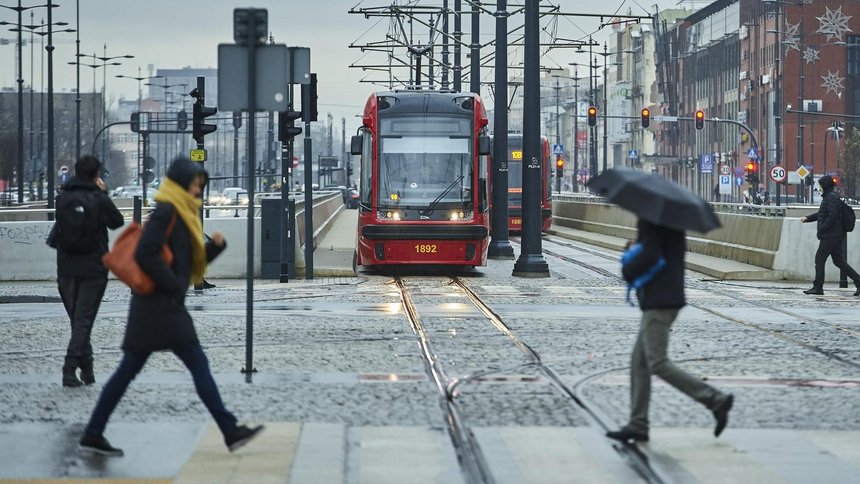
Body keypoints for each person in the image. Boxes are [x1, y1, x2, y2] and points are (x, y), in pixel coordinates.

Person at [79, 157, 263, 456]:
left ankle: (93, 431)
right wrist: (174, 285)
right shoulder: (167, 212)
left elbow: (183, 265)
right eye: (194, 184)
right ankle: (229, 430)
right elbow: (146, 255)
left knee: (128, 371)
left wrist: (213, 249)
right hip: (160, 306)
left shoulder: (181, 211)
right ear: (180, 183)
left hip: (156, 306)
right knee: (196, 364)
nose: (198, 190)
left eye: (200, 185)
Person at [606, 219, 734, 444]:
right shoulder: (668, 218)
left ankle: (715, 399)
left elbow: (651, 254)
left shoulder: (652, 219)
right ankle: (638, 425)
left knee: (657, 362)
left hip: (660, 299)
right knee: (639, 362)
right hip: (667, 296)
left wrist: (628, 268)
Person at [51, 155, 124, 387]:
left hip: (66, 268)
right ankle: (69, 369)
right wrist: (103, 194)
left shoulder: (61, 199)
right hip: (93, 268)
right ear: (96, 175)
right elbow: (117, 222)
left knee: (78, 321)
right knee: (83, 321)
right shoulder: (97, 198)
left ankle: (88, 370)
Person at [800, 175, 860, 296]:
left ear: (825, 185)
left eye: (821, 185)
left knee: (820, 259)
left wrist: (822, 228)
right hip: (835, 234)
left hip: (831, 235)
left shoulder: (830, 197)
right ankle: (858, 281)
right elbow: (822, 213)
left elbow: (832, 216)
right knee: (838, 261)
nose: (820, 187)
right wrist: (808, 218)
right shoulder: (829, 197)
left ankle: (818, 287)